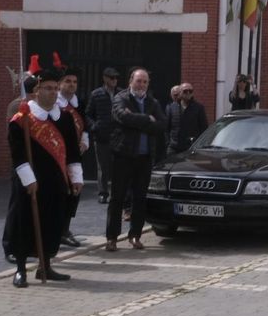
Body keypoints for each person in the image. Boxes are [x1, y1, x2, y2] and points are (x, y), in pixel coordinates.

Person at [4, 64, 81, 286]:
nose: (53, 92)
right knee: (23, 221)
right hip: (29, 180)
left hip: (55, 179)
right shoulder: (22, 118)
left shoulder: (64, 118)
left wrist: (76, 176)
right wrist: (30, 180)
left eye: (55, 88)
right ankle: (20, 270)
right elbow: (17, 153)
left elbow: (72, 150)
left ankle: (45, 265)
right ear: (37, 91)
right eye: (48, 88)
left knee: (52, 221)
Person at [106, 68, 166, 251]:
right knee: (117, 198)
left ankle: (135, 236)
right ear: (131, 81)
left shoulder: (152, 102)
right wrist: (148, 119)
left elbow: (162, 125)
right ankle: (112, 238)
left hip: (144, 158)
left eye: (145, 82)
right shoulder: (121, 98)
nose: (141, 85)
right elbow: (122, 117)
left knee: (140, 198)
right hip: (123, 156)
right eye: (138, 81)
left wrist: (137, 121)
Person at [56, 67, 89, 249]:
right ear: (60, 84)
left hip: (75, 155)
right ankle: (57, 230)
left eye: (74, 82)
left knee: (74, 193)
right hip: (59, 155)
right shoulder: (56, 105)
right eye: (68, 81)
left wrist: (85, 141)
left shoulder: (79, 103)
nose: (71, 85)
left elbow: (85, 125)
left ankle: (65, 229)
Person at [87, 67, 119, 203]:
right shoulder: (96, 94)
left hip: (118, 136)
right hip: (101, 136)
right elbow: (88, 114)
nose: (115, 80)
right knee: (103, 167)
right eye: (112, 78)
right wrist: (94, 127)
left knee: (118, 167)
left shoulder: (121, 93)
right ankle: (103, 193)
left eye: (116, 78)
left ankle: (117, 193)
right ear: (105, 78)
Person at [172, 82, 208, 153]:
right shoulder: (172, 107)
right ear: (179, 93)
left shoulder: (198, 108)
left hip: (191, 147)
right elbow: (167, 128)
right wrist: (169, 142)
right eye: (185, 91)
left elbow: (204, 128)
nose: (188, 93)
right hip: (174, 147)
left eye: (190, 91)